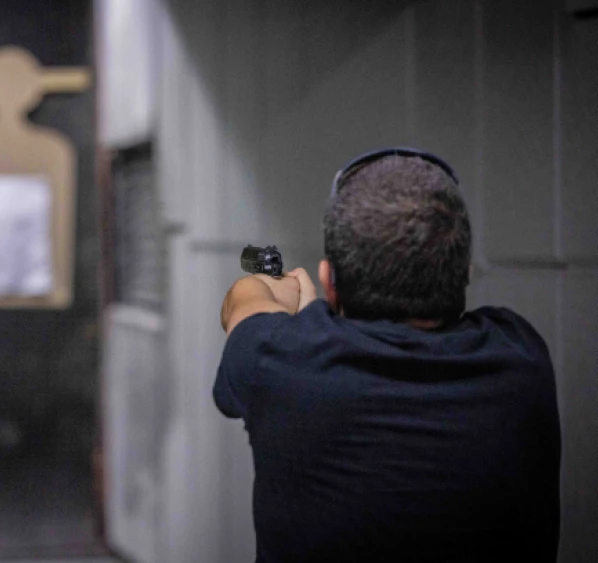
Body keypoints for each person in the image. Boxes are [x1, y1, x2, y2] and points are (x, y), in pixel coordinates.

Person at [214, 148, 561, 563]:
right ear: (464, 271)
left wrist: (289, 299)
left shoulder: (276, 361)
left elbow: (242, 301)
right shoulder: (523, 359)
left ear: (330, 281)